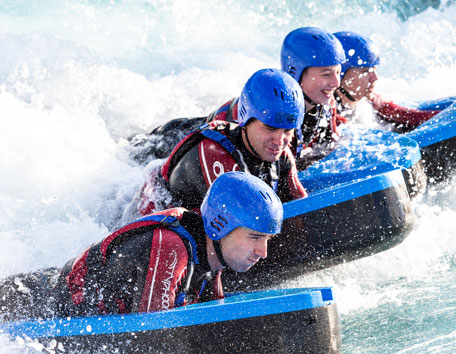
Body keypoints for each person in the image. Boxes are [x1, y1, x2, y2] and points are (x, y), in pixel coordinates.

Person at [0, 172, 283, 322]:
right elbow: (152, 337)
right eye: (255, 237)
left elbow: (215, 325)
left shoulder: (213, 259)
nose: (263, 252)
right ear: (221, 225)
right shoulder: (170, 247)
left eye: (267, 240)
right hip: (26, 302)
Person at [134, 68, 307, 216]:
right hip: (150, 207)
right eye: (270, 128)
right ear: (246, 120)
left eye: (287, 130)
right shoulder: (215, 155)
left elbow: (302, 208)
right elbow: (239, 231)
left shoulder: (281, 154)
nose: (279, 140)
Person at [333, 31, 441, 133]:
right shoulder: (326, 115)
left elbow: (416, 117)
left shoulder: (373, 102)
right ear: (338, 74)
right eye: (365, 72)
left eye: (374, 69)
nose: (375, 78)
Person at [279, 27, 348, 170]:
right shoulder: (278, 115)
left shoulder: (327, 104)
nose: (336, 83)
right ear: (295, 73)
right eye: (326, 74)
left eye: (338, 72)